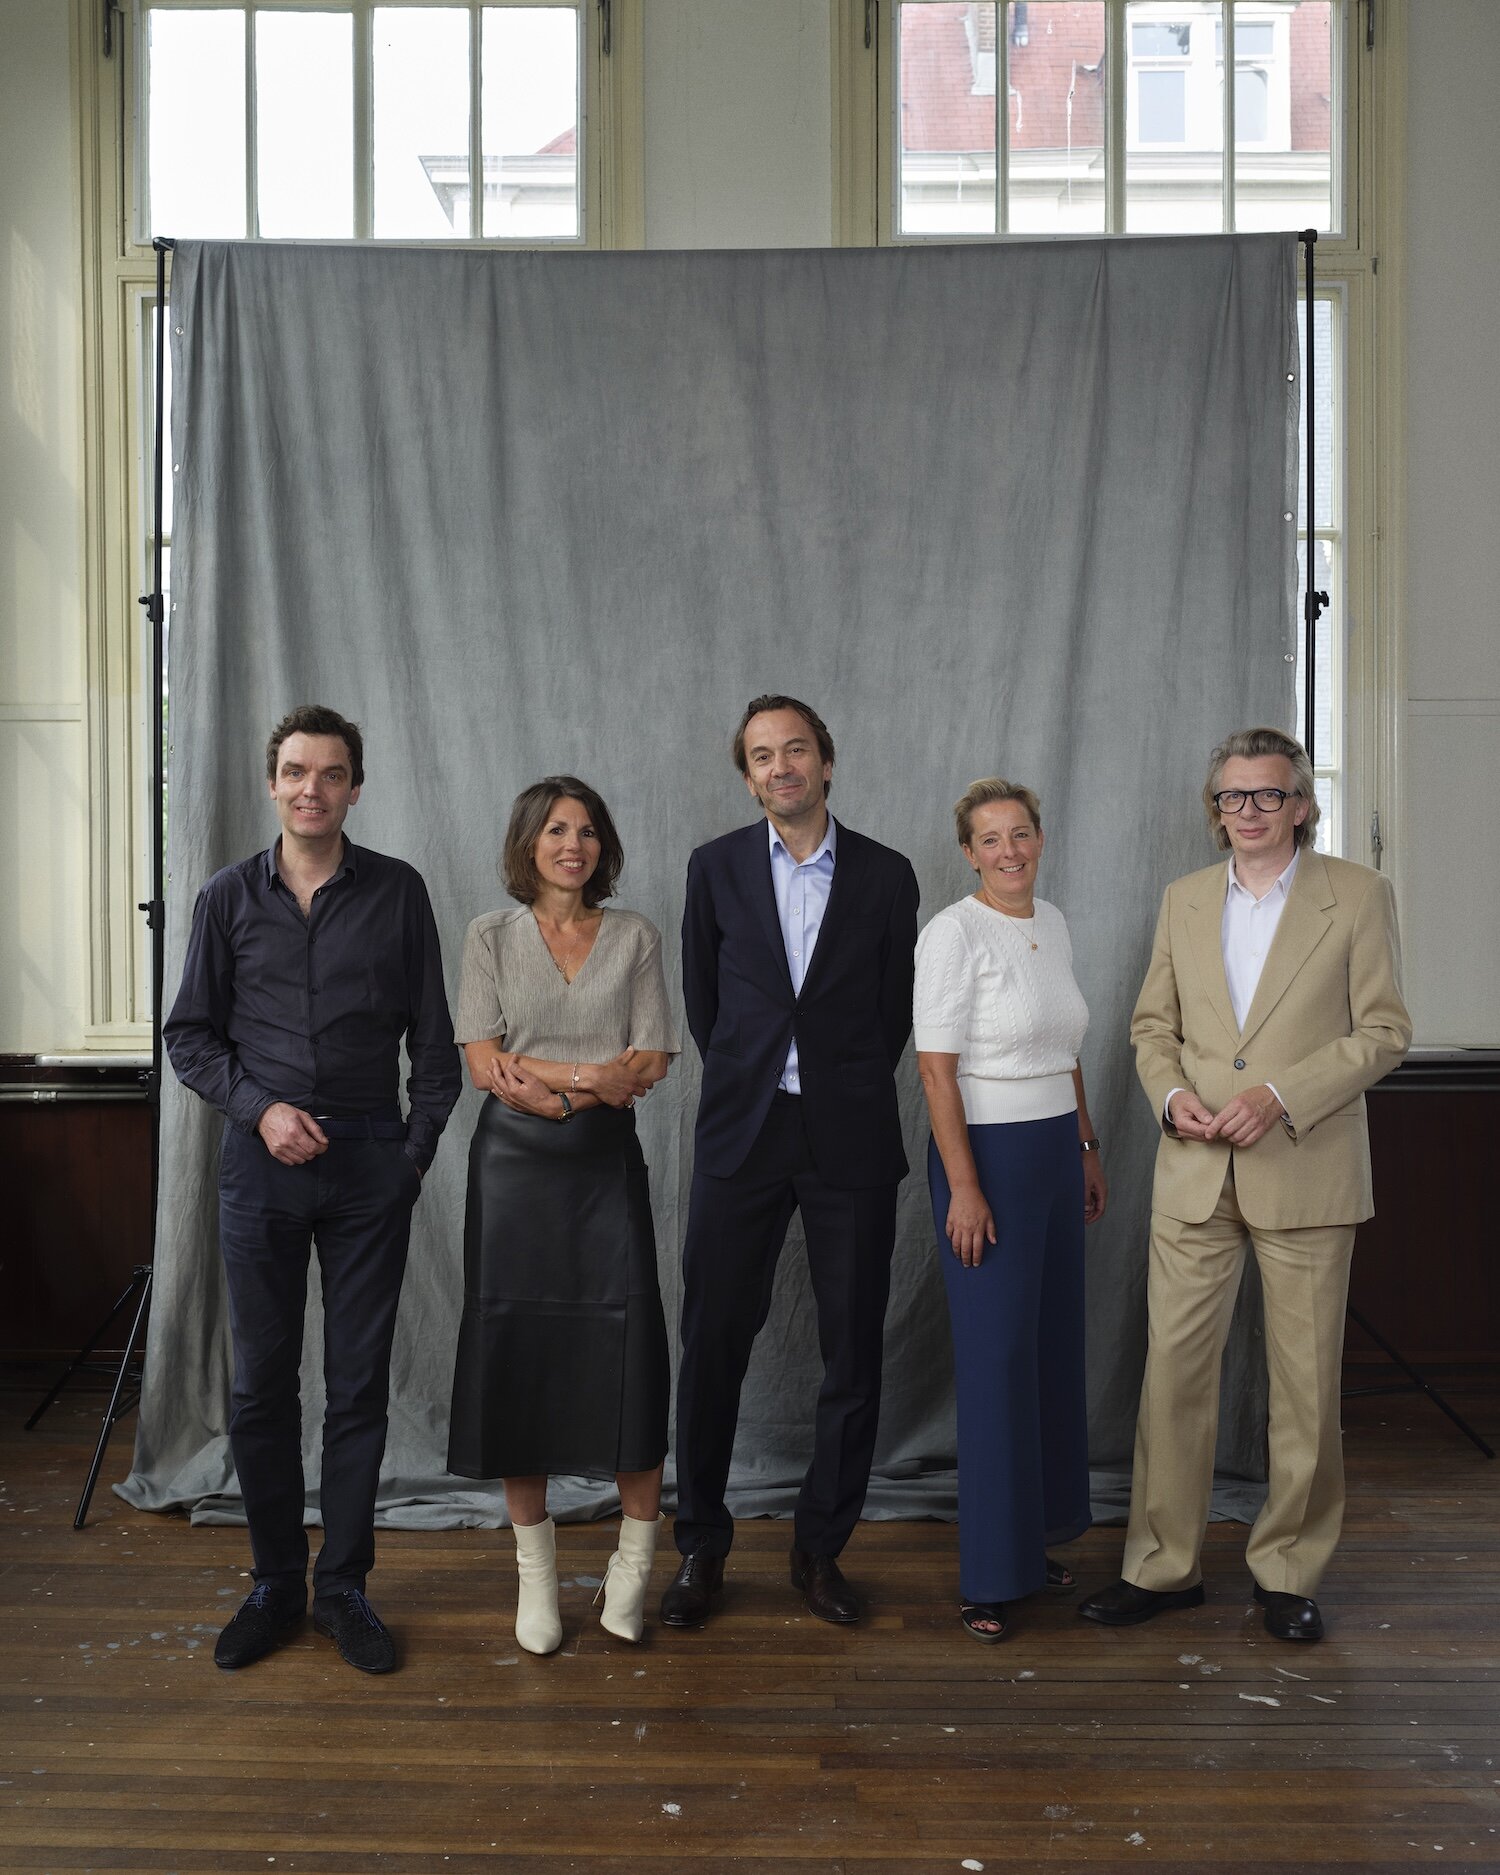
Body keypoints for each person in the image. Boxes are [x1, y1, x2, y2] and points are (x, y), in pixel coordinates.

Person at [1079, 727, 1410, 1644]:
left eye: (1269, 795)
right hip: (1194, 1169)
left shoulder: (1358, 894)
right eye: (1233, 796)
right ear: (1215, 808)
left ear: (1301, 804)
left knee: (1305, 1386)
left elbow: (1385, 1031)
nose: (1250, 811)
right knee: (1172, 1375)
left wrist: (1279, 1096)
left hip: (1305, 1167)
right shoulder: (1184, 899)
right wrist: (1171, 1096)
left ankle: (1289, 1572)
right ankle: (1162, 1565)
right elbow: (1153, 1028)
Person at [164, 705, 461, 1675]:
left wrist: (408, 1163)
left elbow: (438, 1051)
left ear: (355, 789)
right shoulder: (225, 897)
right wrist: (261, 1111)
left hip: (371, 1166)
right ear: (272, 783)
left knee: (359, 1387)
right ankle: (273, 1585)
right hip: (261, 1169)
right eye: (296, 771)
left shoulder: (399, 892)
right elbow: (190, 1036)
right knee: (261, 1386)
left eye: (331, 774)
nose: (312, 789)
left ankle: (343, 1589)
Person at [661, 694, 919, 1629]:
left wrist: (837, 1080)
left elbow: (893, 1011)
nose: (782, 766)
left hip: (850, 1131)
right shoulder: (715, 866)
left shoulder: (887, 874)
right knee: (712, 1344)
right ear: (748, 776)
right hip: (745, 1128)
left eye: (796, 749)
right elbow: (705, 1001)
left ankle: (820, 1549)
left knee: (852, 1349)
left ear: (826, 761)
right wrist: (757, 1072)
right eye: (763, 755)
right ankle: (701, 1547)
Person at [446, 777, 678, 1652]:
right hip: (513, 1172)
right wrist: (588, 1077)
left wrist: (550, 1081)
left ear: (601, 846)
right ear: (527, 843)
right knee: (520, 1357)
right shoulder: (489, 936)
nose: (572, 844)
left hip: (604, 1168)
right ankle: (536, 1579)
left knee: (630, 1353)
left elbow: (652, 1058)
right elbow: (483, 1062)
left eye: (585, 830)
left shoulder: (637, 936)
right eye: (554, 829)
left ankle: (633, 1565)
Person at [914, 778, 1107, 1643]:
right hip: (986, 1159)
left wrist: (1087, 1144)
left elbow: (1067, 1047)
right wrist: (963, 1185)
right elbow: (935, 1071)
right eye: (990, 839)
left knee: (1049, 1348)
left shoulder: (1053, 921)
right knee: (996, 1360)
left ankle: (1034, 1540)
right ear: (969, 853)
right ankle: (990, 1575)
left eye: (1020, 833)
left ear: (1040, 838)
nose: (1008, 851)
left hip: (1055, 1151)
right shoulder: (952, 933)